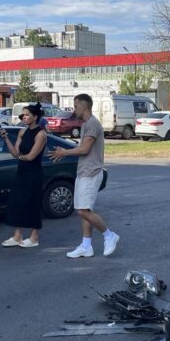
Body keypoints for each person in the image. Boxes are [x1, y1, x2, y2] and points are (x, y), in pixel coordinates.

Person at [48, 93, 119, 258]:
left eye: (76, 106)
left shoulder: (93, 123)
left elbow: (85, 149)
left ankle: (109, 235)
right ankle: (86, 246)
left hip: (91, 173)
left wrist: (64, 152)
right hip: (84, 172)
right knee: (85, 209)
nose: (74, 110)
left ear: (84, 105)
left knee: (82, 210)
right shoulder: (86, 124)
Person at [0, 104, 46, 248]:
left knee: (32, 202)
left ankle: (34, 237)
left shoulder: (41, 134)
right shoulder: (22, 132)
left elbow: (31, 156)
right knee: (17, 201)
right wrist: (6, 138)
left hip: (34, 173)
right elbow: (15, 153)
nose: (24, 117)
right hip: (22, 172)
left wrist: (20, 157)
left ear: (35, 117)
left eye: (27, 115)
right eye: (22, 115)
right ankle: (17, 236)